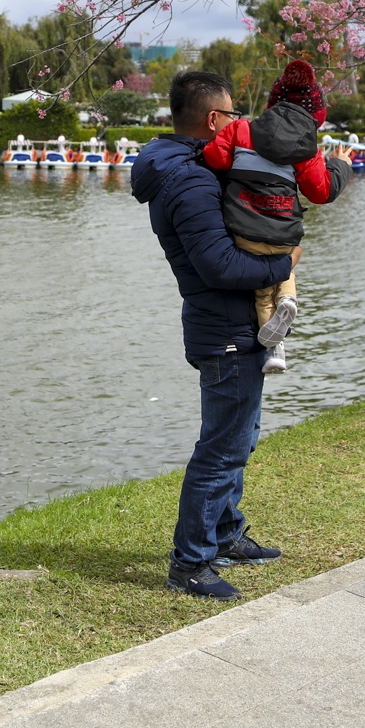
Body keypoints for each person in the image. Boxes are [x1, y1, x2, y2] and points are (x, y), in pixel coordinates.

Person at [131, 69, 297, 601]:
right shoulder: (191, 180)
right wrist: (282, 266)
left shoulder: (197, 168)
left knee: (239, 438)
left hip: (235, 327)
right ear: (212, 119)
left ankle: (225, 536)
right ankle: (190, 564)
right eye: (233, 114)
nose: (239, 123)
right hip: (223, 328)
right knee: (221, 449)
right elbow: (219, 266)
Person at [200, 59, 350, 374]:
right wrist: (341, 165)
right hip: (284, 235)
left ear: (273, 102)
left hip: (244, 233)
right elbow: (322, 192)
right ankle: (288, 305)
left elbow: (214, 156)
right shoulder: (307, 151)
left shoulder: (242, 129)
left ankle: (275, 349)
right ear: (315, 114)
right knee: (283, 269)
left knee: (261, 292)